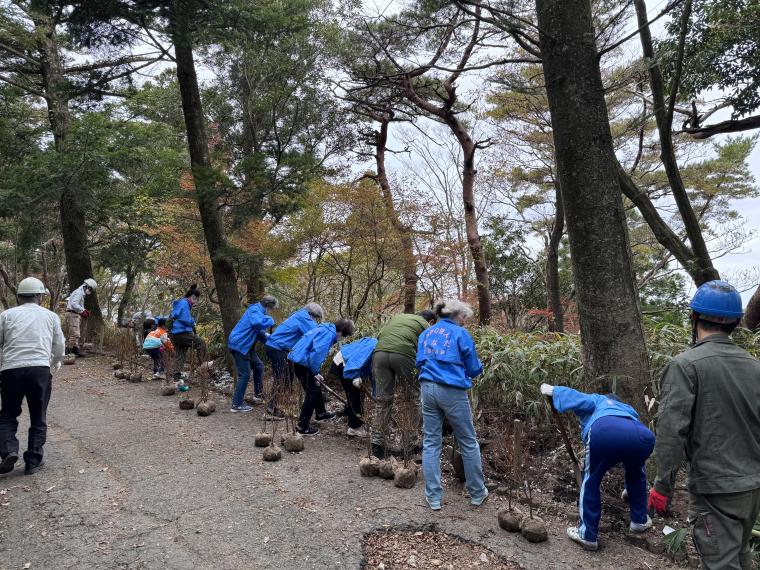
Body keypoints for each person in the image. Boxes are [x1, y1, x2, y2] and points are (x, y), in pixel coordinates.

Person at [649, 280, 760, 569]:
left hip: (715, 490)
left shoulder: (685, 365)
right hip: (751, 488)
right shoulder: (754, 366)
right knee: (739, 556)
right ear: (736, 323)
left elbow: (672, 431)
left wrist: (662, 485)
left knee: (721, 563)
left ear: (694, 317)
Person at [539, 384, 655, 550]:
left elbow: (577, 397)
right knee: (636, 472)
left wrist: (553, 390)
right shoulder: (627, 408)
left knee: (591, 480)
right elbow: (626, 435)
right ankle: (639, 520)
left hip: (604, 432)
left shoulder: (599, 400)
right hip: (643, 436)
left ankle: (588, 535)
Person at [416, 300, 486, 510]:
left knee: (431, 442)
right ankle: (476, 493)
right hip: (452, 390)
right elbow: (474, 368)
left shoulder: (426, 333)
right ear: (456, 315)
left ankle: (434, 497)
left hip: (427, 389)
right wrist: (471, 371)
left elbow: (419, 361)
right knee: (467, 441)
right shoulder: (460, 334)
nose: (465, 321)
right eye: (464, 317)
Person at [0, 277, 65, 475]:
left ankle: (9, 450)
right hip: (40, 369)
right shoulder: (51, 316)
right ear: (39, 296)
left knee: (8, 414)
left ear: (19, 296)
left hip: (11, 369)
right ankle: (33, 460)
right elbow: (59, 346)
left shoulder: (6, 315)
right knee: (39, 415)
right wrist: (54, 364)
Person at [371, 309, 436, 459]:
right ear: (431, 321)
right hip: (404, 354)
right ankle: (410, 444)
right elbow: (429, 349)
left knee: (383, 400)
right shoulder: (425, 325)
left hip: (379, 353)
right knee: (411, 399)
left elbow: (380, 336)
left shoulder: (398, 317)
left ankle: (376, 444)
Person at [288, 318, 355, 436]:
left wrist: (315, 373)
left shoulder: (324, 328)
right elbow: (316, 354)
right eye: (344, 336)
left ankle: (321, 413)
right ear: (340, 333)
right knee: (312, 393)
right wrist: (315, 372)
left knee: (315, 387)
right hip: (302, 362)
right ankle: (302, 427)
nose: (342, 339)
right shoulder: (328, 335)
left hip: (297, 358)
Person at [264, 303, 324, 419]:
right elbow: (318, 333)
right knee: (283, 378)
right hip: (277, 348)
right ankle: (271, 408)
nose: (316, 320)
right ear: (312, 314)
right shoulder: (305, 318)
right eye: (316, 318)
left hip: (276, 347)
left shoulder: (298, 315)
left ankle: (274, 405)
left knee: (287, 377)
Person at [227, 295, 278, 413]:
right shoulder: (255, 310)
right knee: (244, 374)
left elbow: (259, 332)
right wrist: (270, 320)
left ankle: (258, 395)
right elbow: (257, 323)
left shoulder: (258, 312)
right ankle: (236, 404)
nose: (270, 313)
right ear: (268, 306)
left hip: (247, 346)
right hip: (240, 345)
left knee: (259, 366)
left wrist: (270, 339)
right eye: (271, 310)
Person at [329, 336, 377, 438]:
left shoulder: (378, 350)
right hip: (344, 363)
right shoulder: (373, 345)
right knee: (354, 394)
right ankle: (354, 428)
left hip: (347, 363)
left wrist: (376, 395)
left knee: (359, 394)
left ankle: (356, 422)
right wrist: (355, 375)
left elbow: (375, 375)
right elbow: (356, 358)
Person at [169, 284, 206, 391]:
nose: (195, 301)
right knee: (200, 343)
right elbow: (184, 318)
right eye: (194, 298)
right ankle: (202, 366)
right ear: (190, 296)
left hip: (175, 333)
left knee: (180, 354)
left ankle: (176, 377)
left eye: (196, 299)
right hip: (181, 332)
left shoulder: (181, 303)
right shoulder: (184, 303)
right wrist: (192, 322)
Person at [65, 278, 96, 357]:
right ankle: (67, 352)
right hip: (72, 314)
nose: (90, 291)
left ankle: (75, 350)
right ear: (87, 286)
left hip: (75, 314)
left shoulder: (81, 293)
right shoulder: (79, 292)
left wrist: (83, 311)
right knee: (74, 334)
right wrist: (83, 311)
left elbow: (76, 305)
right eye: (90, 289)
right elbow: (74, 304)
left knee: (75, 333)